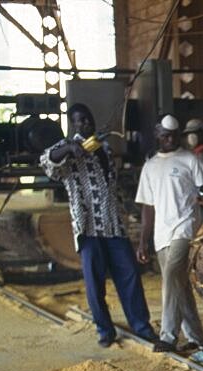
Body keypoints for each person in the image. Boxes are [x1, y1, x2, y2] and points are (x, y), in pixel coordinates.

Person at [40, 103, 156, 347]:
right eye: (79, 121)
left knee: (130, 275)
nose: (84, 124)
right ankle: (105, 331)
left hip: (113, 225)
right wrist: (71, 148)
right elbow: (47, 162)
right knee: (95, 282)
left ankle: (142, 327)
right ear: (73, 125)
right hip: (88, 227)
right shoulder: (65, 148)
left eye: (87, 119)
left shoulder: (103, 146)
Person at [135, 114, 203, 354]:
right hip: (161, 234)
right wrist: (143, 242)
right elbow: (148, 207)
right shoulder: (150, 166)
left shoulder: (190, 159)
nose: (170, 139)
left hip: (186, 228)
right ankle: (198, 337)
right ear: (157, 135)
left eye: (174, 135)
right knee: (179, 285)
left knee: (171, 276)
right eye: (165, 135)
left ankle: (168, 336)